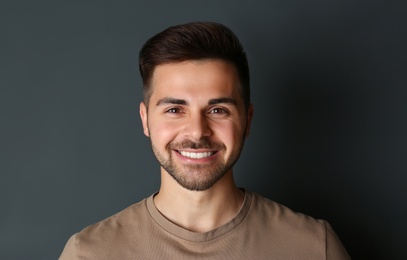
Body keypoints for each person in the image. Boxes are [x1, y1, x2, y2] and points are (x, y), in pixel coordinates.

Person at [59, 21, 350, 259]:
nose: (197, 131)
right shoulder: (90, 253)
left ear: (247, 120)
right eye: (175, 109)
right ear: (145, 119)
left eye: (218, 110)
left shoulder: (313, 247)